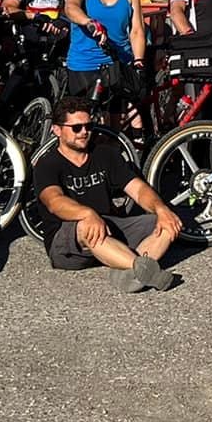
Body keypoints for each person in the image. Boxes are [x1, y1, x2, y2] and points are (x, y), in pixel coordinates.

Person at [32, 96, 183, 290]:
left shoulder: (105, 154)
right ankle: (143, 268)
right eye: (76, 128)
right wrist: (88, 214)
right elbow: (54, 201)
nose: (84, 132)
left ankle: (130, 271)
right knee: (85, 226)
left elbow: (137, 189)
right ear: (57, 129)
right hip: (69, 241)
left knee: (168, 222)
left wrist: (161, 209)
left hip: (109, 231)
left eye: (88, 126)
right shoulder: (47, 164)